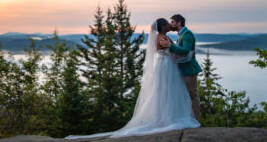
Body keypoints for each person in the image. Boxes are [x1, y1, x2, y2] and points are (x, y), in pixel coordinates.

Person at [65, 18, 200, 139]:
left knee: (163, 90)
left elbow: (170, 50)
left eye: (171, 23)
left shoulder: (160, 36)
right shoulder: (162, 37)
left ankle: (167, 116)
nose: (169, 26)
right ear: (163, 27)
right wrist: (181, 51)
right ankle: (169, 117)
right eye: (167, 24)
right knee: (167, 90)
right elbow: (170, 50)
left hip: (163, 64)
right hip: (166, 65)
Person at [159, 14, 203, 119]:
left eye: (173, 22)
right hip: (184, 69)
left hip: (190, 69)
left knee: (193, 95)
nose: (171, 24)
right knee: (186, 95)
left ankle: (195, 119)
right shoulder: (181, 34)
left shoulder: (187, 34)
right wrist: (171, 45)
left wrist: (170, 45)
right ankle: (188, 117)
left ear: (179, 23)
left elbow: (185, 51)